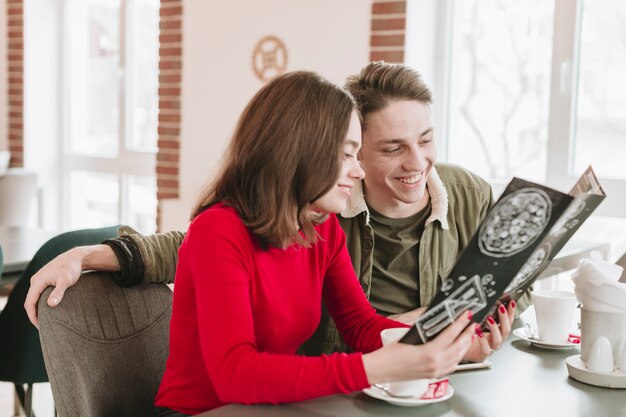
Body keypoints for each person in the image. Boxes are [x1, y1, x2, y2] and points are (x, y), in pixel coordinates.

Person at [26, 62, 523, 362]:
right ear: (353, 151)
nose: (417, 163)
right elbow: (190, 246)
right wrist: (91, 254)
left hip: (421, 378)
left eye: (427, 141)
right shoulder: (323, 212)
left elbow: (506, 280)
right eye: (393, 148)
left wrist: (464, 335)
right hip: (345, 388)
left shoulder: (471, 194)